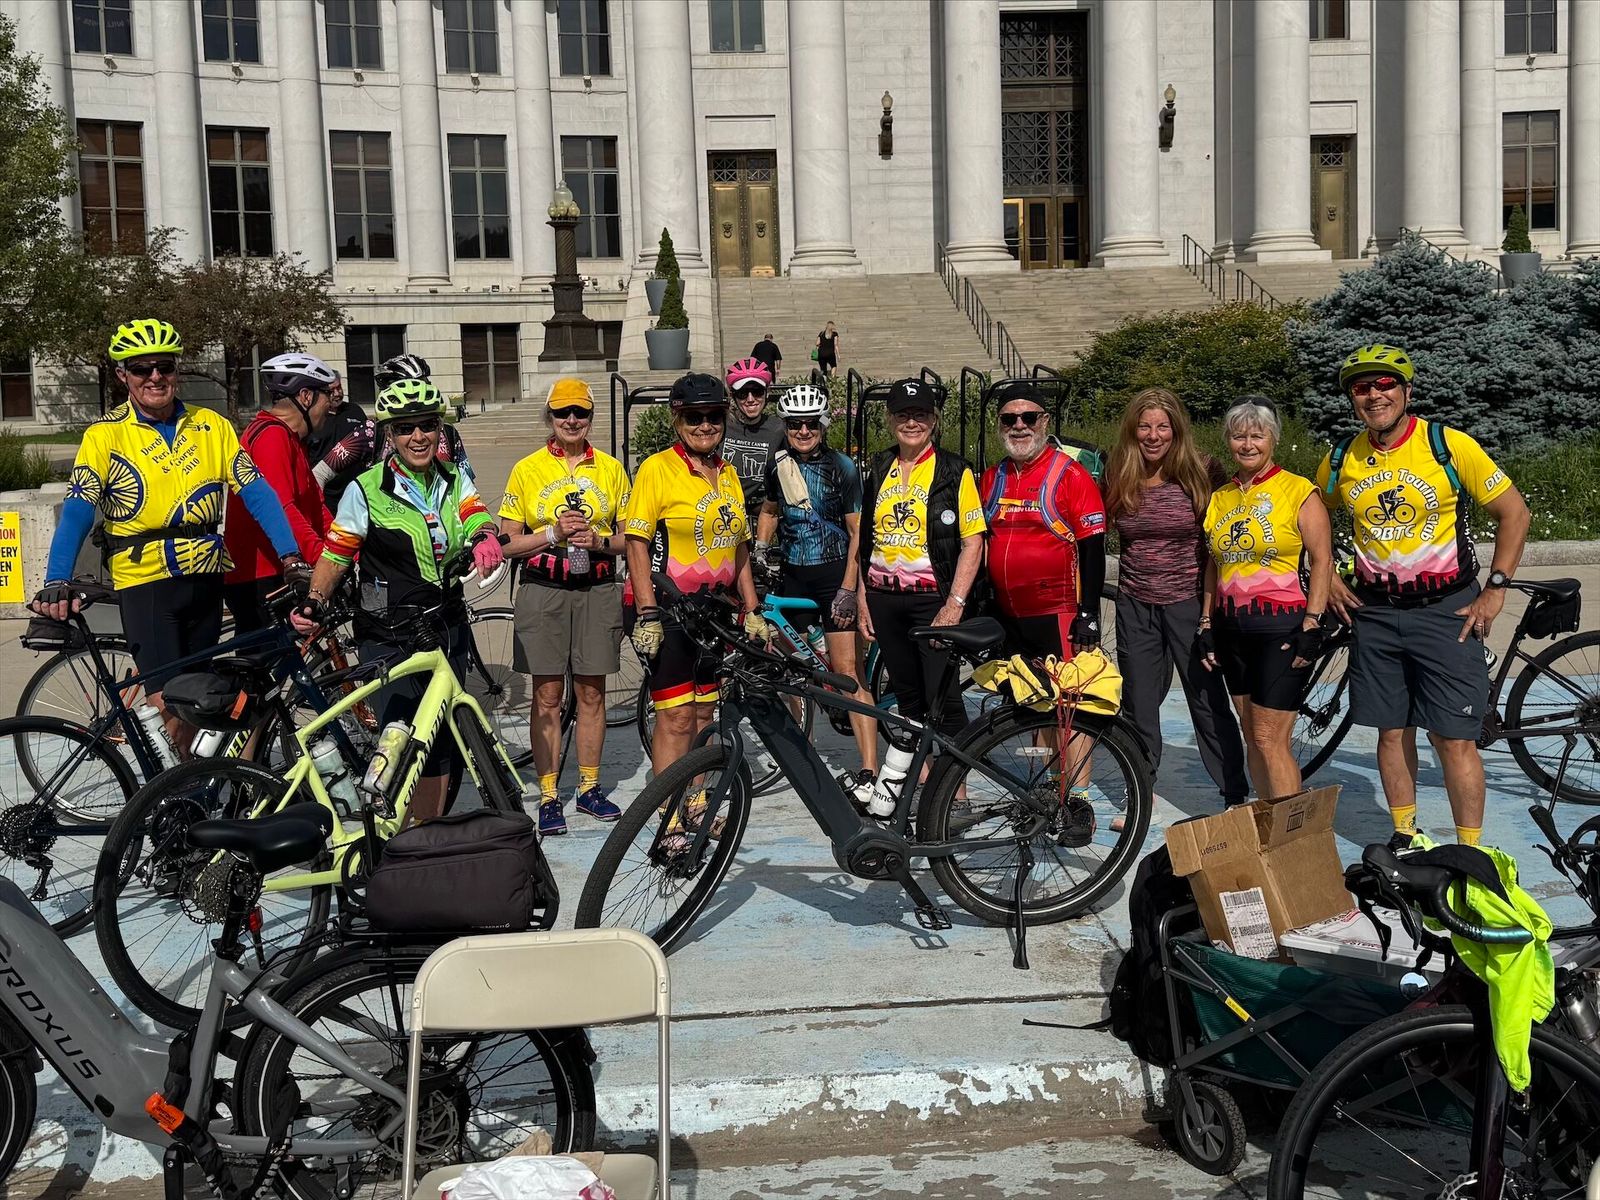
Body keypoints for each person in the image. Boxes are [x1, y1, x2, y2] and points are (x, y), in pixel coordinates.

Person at [33, 319, 306, 747]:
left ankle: (189, 782)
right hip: (146, 581)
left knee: (201, 699)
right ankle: (167, 786)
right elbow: (78, 511)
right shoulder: (105, 435)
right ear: (122, 375)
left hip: (205, 576)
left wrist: (291, 557)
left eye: (164, 366)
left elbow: (257, 493)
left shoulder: (212, 426)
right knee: (167, 702)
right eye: (141, 369)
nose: (155, 377)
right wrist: (56, 578)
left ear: (177, 370)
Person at [1317, 344, 1530, 848]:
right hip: (1375, 612)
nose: (1374, 395)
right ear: (1352, 398)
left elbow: (1514, 512)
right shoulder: (1343, 457)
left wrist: (1496, 588)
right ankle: (1405, 834)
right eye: (1362, 387)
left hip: (1447, 610)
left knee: (1453, 738)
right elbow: (1310, 516)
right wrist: (1323, 575)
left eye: (1385, 384)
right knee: (1391, 731)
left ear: (1407, 391)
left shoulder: (1447, 445)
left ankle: (1469, 849)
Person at [296, 378, 505, 822]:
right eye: (406, 428)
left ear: (439, 430)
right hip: (388, 633)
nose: (418, 436)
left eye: (427, 425)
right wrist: (314, 599)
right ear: (390, 434)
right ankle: (394, 834)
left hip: (445, 626)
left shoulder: (453, 478)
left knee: (440, 742)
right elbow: (336, 554)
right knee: (398, 739)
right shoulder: (366, 488)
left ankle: (427, 834)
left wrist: (485, 535)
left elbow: (473, 512)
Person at [1104, 388, 1249, 806]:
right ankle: (1140, 790)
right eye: (1144, 427)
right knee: (1139, 702)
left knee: (1206, 699)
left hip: (1189, 603)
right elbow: (1092, 527)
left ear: (1176, 429)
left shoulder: (1203, 470)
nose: (1153, 436)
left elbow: (1227, 535)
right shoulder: (1117, 472)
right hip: (1135, 602)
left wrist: (1213, 612)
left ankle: (1233, 791)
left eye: (1162, 427)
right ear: (1132, 430)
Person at [498, 379, 628, 836]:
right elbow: (507, 542)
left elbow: (631, 539)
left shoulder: (611, 469)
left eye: (580, 412)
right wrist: (552, 533)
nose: (571, 420)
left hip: (596, 588)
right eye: (562, 412)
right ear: (550, 417)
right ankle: (550, 794)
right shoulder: (527, 469)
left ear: (591, 416)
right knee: (547, 695)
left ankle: (590, 787)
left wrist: (599, 541)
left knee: (592, 694)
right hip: (543, 589)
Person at [627, 374, 767, 777]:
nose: (705, 425)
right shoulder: (658, 469)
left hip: (713, 611)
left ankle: (696, 798)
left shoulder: (728, 473)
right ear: (677, 419)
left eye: (713, 416)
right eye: (694, 417)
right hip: (667, 608)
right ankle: (667, 809)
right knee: (676, 716)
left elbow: (739, 547)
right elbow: (636, 543)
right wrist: (647, 613)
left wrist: (753, 610)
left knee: (705, 711)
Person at [857, 378, 985, 812]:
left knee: (943, 700)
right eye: (903, 415)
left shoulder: (954, 470)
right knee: (907, 700)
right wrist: (862, 596)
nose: (912, 422)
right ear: (890, 419)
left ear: (934, 419)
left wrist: (955, 604)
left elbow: (973, 541)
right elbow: (867, 540)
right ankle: (923, 786)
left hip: (933, 601)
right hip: (885, 598)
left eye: (921, 414)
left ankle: (957, 799)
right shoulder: (879, 466)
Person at [1197, 396, 1333, 800]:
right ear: (1228, 441)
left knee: (1269, 737)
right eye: (1239, 436)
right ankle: (1267, 815)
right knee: (1251, 733)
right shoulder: (1220, 497)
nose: (1248, 444)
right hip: (1230, 629)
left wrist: (1313, 622)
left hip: (1281, 628)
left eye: (1257, 436)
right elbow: (1213, 564)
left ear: (1273, 439)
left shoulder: (1298, 490)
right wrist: (1206, 622)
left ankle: (1291, 828)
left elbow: (1322, 560)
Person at [754, 383, 877, 799]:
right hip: (793, 573)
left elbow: (857, 532)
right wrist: (760, 549)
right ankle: (801, 748)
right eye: (795, 425)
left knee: (847, 672)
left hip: (833, 575)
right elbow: (770, 510)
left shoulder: (842, 467)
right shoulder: (777, 464)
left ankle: (869, 767)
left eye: (810, 424)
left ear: (822, 425)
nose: (803, 431)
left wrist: (848, 588)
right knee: (789, 666)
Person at [979, 380, 1107, 661]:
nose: (1019, 426)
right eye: (1009, 419)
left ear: (1045, 421)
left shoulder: (1072, 475)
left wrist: (1088, 613)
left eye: (1029, 417)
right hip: (1005, 616)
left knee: (1059, 689)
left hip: (1056, 615)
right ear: (999, 424)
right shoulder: (992, 477)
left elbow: (1093, 549)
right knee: (1015, 688)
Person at [222, 353, 339, 632]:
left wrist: (343, 549)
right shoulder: (271, 437)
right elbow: (283, 507)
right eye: (327, 396)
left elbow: (316, 507)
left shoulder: (290, 438)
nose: (332, 406)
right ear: (307, 396)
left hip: (279, 570)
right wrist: (324, 559)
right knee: (268, 656)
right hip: (261, 574)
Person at [374, 353, 477, 484]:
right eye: (404, 428)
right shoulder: (371, 432)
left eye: (428, 425)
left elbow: (465, 479)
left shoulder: (447, 431)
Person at [721, 358, 786, 532]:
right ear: (732, 395)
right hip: (722, 505)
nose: (750, 399)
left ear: (767, 392)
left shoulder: (778, 428)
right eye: (743, 393)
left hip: (761, 506)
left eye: (757, 392)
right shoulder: (720, 425)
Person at [310, 370, 378, 512]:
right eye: (332, 390)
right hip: (327, 494)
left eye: (339, 387)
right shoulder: (315, 418)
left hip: (356, 490)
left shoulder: (354, 410)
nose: (337, 393)